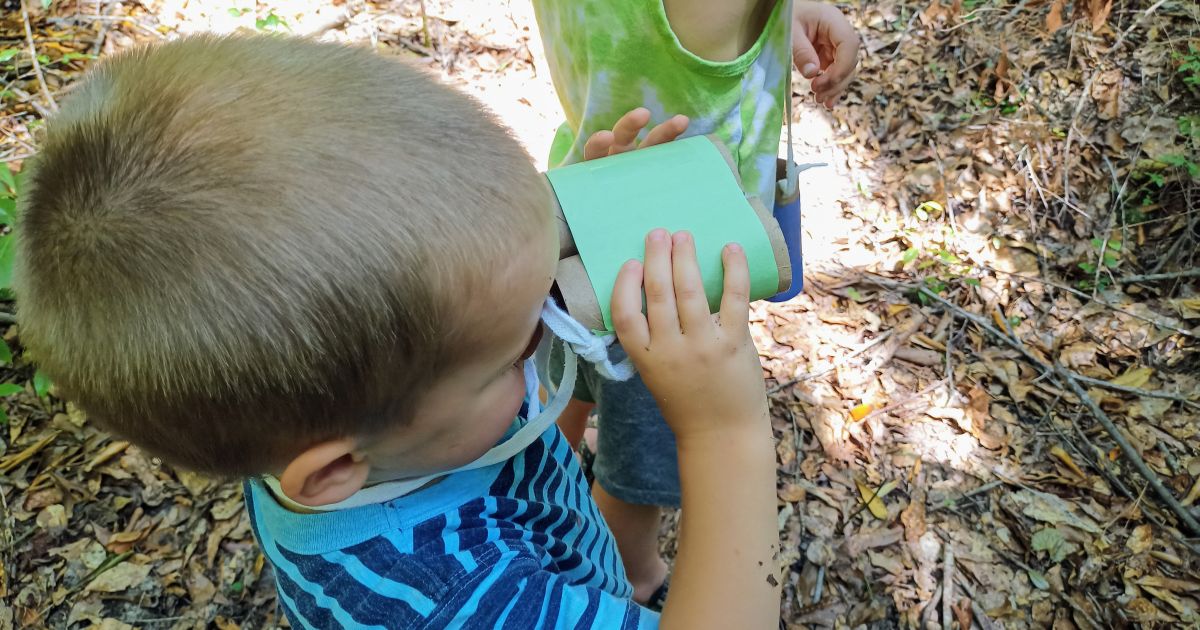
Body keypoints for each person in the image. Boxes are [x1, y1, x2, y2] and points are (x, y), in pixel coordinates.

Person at [15, 35, 780, 628]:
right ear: (333, 470)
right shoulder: (446, 598)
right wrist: (725, 434)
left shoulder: (325, 404)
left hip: (562, 553)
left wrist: (589, 223)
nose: (549, 316)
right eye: (517, 344)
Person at [530, 0, 861, 605]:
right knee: (637, 471)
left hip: (589, 198)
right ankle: (628, 576)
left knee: (568, 379)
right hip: (676, 286)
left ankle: (546, 478)